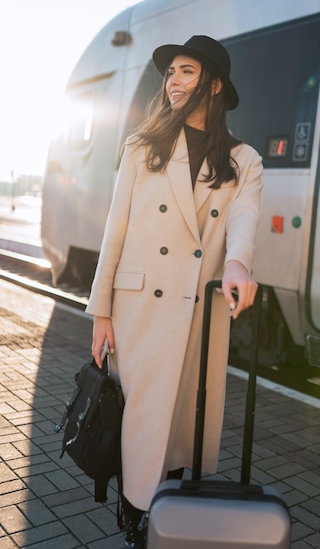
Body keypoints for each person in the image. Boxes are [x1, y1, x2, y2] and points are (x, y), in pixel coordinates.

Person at [87, 35, 263, 548]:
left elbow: (244, 220)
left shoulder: (242, 159)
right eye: (170, 73)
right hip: (139, 314)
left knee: (185, 432)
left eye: (186, 71)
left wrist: (237, 263)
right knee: (140, 431)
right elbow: (113, 232)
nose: (174, 81)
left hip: (196, 321)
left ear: (212, 83)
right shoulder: (143, 148)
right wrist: (100, 313)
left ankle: (171, 521)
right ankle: (136, 524)